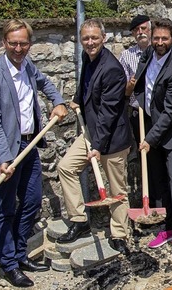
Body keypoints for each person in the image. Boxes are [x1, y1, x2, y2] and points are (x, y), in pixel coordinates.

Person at [0, 19, 68, 287]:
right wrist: (3, 159)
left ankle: (20, 254)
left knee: (31, 201)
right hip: (6, 151)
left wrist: (58, 101)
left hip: (29, 146)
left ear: (30, 43)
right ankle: (8, 264)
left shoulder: (28, 66)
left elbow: (46, 83)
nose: (18, 48)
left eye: (23, 43)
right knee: (4, 208)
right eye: (13, 43)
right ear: (4, 43)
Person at [55, 19, 131, 255]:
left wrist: (97, 146)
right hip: (92, 131)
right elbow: (85, 85)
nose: (90, 43)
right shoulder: (87, 59)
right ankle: (79, 220)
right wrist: (77, 98)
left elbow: (109, 113)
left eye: (94, 38)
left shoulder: (112, 69)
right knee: (66, 167)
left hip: (112, 138)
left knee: (117, 189)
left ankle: (120, 234)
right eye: (86, 38)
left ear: (103, 38)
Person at [133, 18, 172, 258]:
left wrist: (149, 138)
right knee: (158, 180)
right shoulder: (147, 55)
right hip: (150, 125)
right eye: (156, 38)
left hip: (171, 133)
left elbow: (171, 112)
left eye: (164, 39)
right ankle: (166, 227)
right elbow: (141, 84)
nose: (159, 43)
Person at [120, 14, 151, 160]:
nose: (140, 32)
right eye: (136, 30)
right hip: (138, 112)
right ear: (133, 34)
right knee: (143, 153)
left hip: (158, 111)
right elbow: (123, 90)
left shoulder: (160, 51)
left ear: (150, 30)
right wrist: (130, 85)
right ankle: (147, 182)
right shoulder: (126, 56)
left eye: (143, 28)